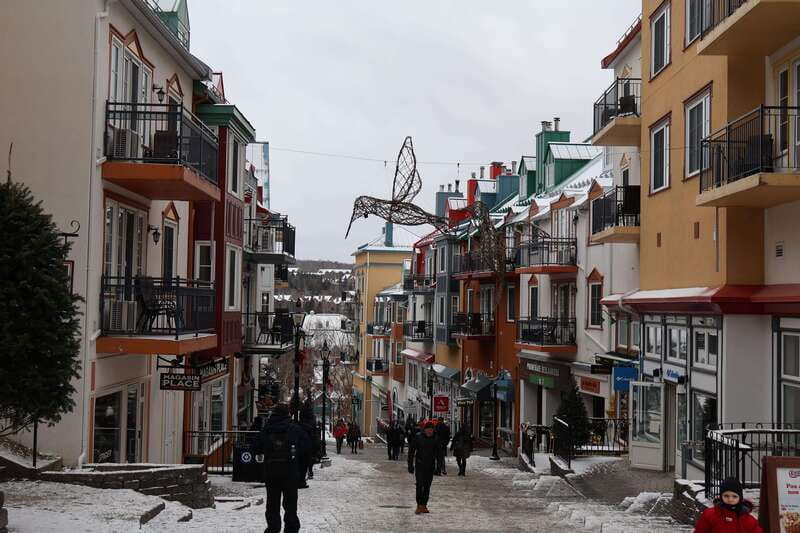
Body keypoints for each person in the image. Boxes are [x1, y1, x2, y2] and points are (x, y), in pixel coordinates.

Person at [256, 403, 310, 533]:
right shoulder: (295, 429)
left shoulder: (267, 429)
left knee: (272, 504)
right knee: (290, 505)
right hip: (290, 472)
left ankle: (273, 528)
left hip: (271, 472)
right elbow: (306, 447)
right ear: (288, 414)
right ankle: (291, 528)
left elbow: (257, 447)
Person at [694, 477, 762, 533]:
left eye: (734, 496)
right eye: (726, 496)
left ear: (740, 497)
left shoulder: (750, 521)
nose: (730, 499)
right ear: (721, 496)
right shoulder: (710, 515)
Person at [408, 421, 439, 514]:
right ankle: (419, 505)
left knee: (427, 486)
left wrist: (439, 467)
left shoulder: (435, 439)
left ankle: (424, 505)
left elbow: (439, 454)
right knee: (419, 485)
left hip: (430, 466)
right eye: (428, 430)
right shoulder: (418, 437)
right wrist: (410, 465)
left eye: (431, 430)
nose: (430, 431)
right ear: (424, 430)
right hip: (420, 465)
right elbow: (411, 452)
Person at [298, 403, 319, 485]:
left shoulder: (302, 416)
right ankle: (308, 472)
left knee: (303, 459)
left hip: (303, 438)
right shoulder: (311, 417)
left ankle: (303, 476)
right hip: (310, 439)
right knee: (308, 458)